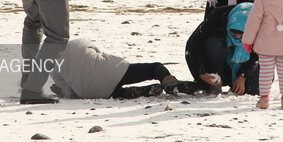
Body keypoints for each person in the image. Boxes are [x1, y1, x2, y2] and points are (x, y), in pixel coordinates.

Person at [49, 38, 197, 99]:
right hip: (114, 72)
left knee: (110, 91)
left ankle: (127, 92)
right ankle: (169, 82)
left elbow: (70, 92)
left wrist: (61, 91)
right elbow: (98, 52)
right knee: (154, 68)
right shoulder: (78, 42)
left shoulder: (53, 69)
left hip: (94, 91)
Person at [185, 2, 259, 95]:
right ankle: (213, 80)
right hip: (219, 61)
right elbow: (194, 44)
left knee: (254, 90)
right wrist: (201, 73)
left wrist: (242, 76)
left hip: (247, 63)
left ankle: (236, 82)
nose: (236, 37)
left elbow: (260, 56)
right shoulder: (219, 16)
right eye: (233, 32)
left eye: (241, 33)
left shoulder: (262, 23)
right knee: (214, 44)